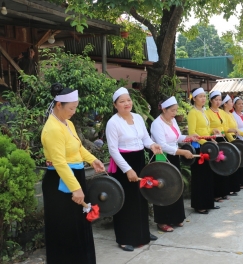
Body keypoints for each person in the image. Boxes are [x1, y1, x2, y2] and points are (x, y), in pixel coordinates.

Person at [41, 83, 105, 264]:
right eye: (71, 108)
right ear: (59, 105)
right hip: (61, 183)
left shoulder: (67, 123)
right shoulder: (52, 128)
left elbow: (78, 148)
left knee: (78, 226)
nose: (74, 112)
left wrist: (92, 159)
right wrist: (75, 188)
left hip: (74, 178)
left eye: (75, 107)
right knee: (65, 229)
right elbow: (60, 162)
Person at [106, 87, 163, 251]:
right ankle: (124, 238)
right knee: (126, 201)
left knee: (141, 197)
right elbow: (113, 150)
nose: (126, 104)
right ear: (115, 105)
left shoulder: (138, 117)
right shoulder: (113, 123)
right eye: (122, 101)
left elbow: (145, 138)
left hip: (138, 160)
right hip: (123, 164)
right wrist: (127, 170)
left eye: (128, 100)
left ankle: (142, 232)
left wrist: (152, 145)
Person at [150, 95, 196, 232]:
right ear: (164, 109)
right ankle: (162, 221)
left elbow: (177, 137)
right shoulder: (157, 124)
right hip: (162, 158)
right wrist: (181, 152)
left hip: (174, 156)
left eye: (176, 110)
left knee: (175, 186)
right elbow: (162, 145)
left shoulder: (173, 121)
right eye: (172, 111)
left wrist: (188, 138)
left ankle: (176, 217)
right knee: (163, 188)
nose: (175, 113)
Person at [187, 87, 218, 214]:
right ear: (194, 98)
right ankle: (199, 205)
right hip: (199, 147)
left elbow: (205, 129)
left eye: (204, 96)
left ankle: (208, 202)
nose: (203, 98)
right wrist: (206, 143)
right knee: (199, 177)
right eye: (200, 96)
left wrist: (213, 131)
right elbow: (192, 132)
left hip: (206, 146)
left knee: (207, 175)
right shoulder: (192, 113)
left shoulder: (203, 111)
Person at [206, 91, 238, 201]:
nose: (218, 102)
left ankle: (224, 191)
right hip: (214, 140)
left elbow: (224, 127)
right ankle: (216, 194)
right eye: (216, 100)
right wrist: (212, 131)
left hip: (222, 139)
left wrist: (232, 130)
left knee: (224, 165)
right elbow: (206, 129)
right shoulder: (207, 113)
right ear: (211, 101)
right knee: (216, 166)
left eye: (220, 99)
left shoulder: (222, 112)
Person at [221, 94, 243, 192]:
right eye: (230, 102)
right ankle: (230, 188)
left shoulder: (230, 113)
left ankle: (236, 186)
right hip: (229, 141)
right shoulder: (223, 114)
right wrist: (232, 142)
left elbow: (236, 129)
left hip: (234, 140)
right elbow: (226, 130)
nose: (232, 104)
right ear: (225, 104)